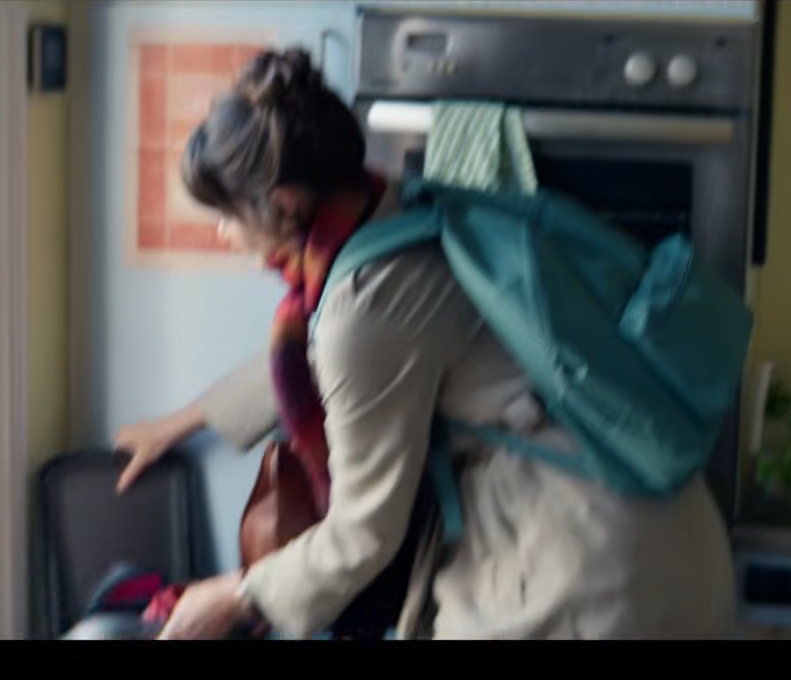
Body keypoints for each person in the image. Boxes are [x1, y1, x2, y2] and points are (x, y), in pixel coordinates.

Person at [113, 48, 737, 640]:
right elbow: (348, 355)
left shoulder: (363, 305)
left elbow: (364, 531)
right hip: (656, 533)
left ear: (282, 202)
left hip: (587, 572)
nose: (225, 233)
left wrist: (236, 594)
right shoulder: (398, 208)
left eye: (227, 215)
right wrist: (181, 424)